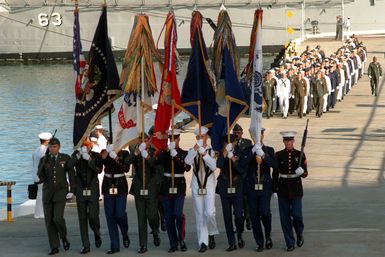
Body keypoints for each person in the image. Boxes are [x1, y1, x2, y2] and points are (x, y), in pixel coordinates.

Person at [124, 132, 162, 254]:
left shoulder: (154, 151)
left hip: (151, 188)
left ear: (149, 140)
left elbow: (157, 166)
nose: (143, 142)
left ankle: (155, 231)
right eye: (140, 140)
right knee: (141, 218)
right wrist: (136, 153)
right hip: (139, 187)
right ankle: (143, 244)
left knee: (152, 216)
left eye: (145, 140)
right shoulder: (136, 151)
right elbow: (127, 161)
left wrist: (147, 157)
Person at [37, 137, 76, 255]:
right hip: (48, 193)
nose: (52, 149)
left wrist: (72, 190)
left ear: (59, 147)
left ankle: (63, 236)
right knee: (49, 221)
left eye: (54, 147)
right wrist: (42, 166)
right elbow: (41, 177)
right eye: (50, 147)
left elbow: (71, 175)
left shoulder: (65, 158)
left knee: (57, 218)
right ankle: (54, 246)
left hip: (60, 192)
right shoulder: (44, 159)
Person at [242, 128, 277, 252]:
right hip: (251, 188)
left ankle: (267, 236)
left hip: (265, 187)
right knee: (254, 215)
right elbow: (242, 163)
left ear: (263, 135)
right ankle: (260, 242)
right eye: (255, 135)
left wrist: (263, 155)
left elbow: (274, 165)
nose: (258, 137)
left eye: (260, 135)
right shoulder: (247, 150)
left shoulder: (269, 150)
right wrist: (253, 151)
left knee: (265, 212)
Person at [184, 126, 218, 252]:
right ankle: (203, 242)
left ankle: (212, 232)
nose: (200, 139)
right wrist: (195, 149)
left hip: (208, 184)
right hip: (196, 185)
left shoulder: (212, 150)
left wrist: (204, 154)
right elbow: (187, 161)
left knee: (209, 212)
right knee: (200, 214)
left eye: (202, 137)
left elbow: (214, 166)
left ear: (207, 137)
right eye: (198, 137)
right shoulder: (193, 150)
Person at [272, 131, 308, 252]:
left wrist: (301, 172)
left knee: (297, 215)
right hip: (282, 188)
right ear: (283, 141)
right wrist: (275, 189)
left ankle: (299, 233)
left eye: (290, 140)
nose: (288, 142)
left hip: (296, 189)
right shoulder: (278, 155)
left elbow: (306, 174)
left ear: (293, 141)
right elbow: (275, 173)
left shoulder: (300, 154)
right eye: (286, 141)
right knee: (285, 218)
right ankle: (289, 242)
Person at [160, 129, 190, 252]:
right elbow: (158, 161)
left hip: (179, 186)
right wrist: (168, 151)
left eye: (175, 139)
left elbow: (187, 167)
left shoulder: (183, 153)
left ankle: (181, 239)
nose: (173, 141)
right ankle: (173, 243)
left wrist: (176, 156)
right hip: (167, 186)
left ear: (178, 140)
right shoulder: (165, 152)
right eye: (171, 139)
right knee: (168, 216)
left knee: (177, 214)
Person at [71, 140, 103, 254]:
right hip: (80, 189)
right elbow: (69, 165)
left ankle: (96, 232)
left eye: (87, 146)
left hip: (92, 189)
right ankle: (86, 245)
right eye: (83, 146)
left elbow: (99, 170)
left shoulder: (96, 156)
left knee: (93, 216)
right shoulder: (76, 155)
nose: (85, 147)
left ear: (91, 146)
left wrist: (89, 160)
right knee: (82, 218)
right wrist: (79, 155)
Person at [216, 134, 246, 251]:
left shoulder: (239, 152)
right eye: (226, 143)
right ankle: (231, 242)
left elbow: (242, 170)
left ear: (234, 143)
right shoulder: (221, 152)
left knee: (238, 215)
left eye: (231, 143)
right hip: (224, 187)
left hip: (237, 187)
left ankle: (239, 233)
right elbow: (218, 165)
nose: (230, 144)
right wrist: (224, 153)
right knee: (227, 217)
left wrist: (233, 158)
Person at [101, 145, 131, 254]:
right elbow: (99, 166)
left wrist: (116, 158)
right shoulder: (105, 152)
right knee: (110, 216)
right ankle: (114, 245)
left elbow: (126, 168)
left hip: (120, 185)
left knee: (120, 214)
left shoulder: (124, 154)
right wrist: (105, 156)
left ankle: (124, 232)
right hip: (108, 184)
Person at [232, 124, 252, 230]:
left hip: (245, 175)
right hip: (235, 177)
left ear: (242, 133)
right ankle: (238, 224)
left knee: (246, 200)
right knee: (236, 203)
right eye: (234, 133)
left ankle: (248, 219)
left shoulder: (248, 143)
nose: (236, 135)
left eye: (238, 133)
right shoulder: (230, 143)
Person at [32, 132, 52, 219]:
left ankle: (38, 213)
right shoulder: (44, 151)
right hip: (42, 175)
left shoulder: (36, 150)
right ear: (47, 141)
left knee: (40, 194)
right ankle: (41, 213)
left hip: (36, 174)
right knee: (44, 194)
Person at [94, 125, 107, 200]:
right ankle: (99, 193)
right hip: (99, 160)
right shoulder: (101, 139)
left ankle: (100, 194)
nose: (95, 131)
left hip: (100, 160)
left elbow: (102, 151)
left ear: (98, 131)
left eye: (96, 130)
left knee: (100, 178)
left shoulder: (101, 140)